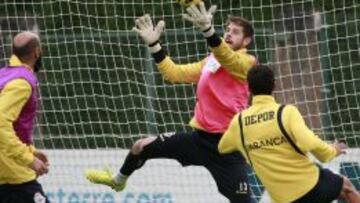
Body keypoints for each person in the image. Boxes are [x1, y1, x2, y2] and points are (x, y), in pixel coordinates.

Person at [85, 2, 256, 202]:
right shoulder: (211, 61)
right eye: (227, 30)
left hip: (227, 147)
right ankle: (117, 180)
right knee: (140, 146)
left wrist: (209, 31)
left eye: (235, 32)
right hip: (199, 140)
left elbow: (228, 58)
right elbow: (174, 73)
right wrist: (154, 45)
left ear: (246, 40)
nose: (228, 34)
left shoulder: (247, 63)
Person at [218, 64, 360, 203]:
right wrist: (332, 150)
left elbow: (222, 147)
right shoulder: (286, 112)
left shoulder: (239, 122)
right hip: (309, 185)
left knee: (339, 191)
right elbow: (309, 143)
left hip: (282, 198)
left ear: (249, 88)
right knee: (346, 187)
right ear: (274, 85)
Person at [0, 31, 50, 203]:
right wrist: (28, 159)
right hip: (12, 175)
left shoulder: (3, 75)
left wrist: (32, 151)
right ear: (37, 52)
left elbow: (15, 127)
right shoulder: (21, 83)